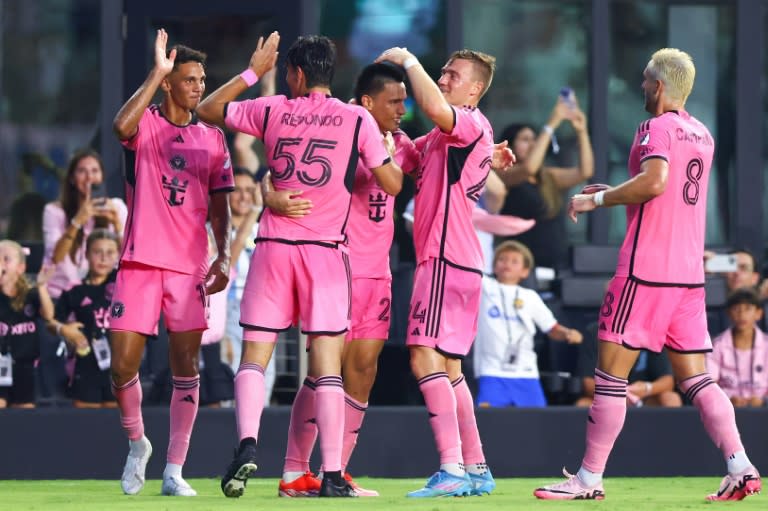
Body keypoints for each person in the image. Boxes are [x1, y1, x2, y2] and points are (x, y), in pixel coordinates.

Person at [534, 48, 761, 502]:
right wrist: (619, 191)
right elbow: (664, 194)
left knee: (610, 379)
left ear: (658, 87)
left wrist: (595, 201)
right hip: (688, 279)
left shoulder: (654, 127)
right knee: (697, 379)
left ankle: (587, 480)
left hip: (644, 274)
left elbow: (655, 182)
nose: (641, 88)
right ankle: (741, 466)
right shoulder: (702, 133)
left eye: (644, 81)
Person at [196, 33, 403, 498]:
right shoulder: (356, 118)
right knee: (327, 366)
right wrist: (380, 150)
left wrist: (252, 71)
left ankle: (248, 444)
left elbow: (209, 109)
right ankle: (331, 473)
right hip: (326, 252)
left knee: (255, 356)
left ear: (295, 74)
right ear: (329, 74)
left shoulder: (271, 110)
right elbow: (390, 184)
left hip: (273, 246)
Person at [276, 62, 420, 498]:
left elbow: (436, 158)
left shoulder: (404, 145)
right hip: (336, 265)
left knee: (363, 371)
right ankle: (294, 471)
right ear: (366, 102)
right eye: (394, 101)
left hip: (378, 272)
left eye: (404, 100)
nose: (402, 108)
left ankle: (336, 471)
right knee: (323, 373)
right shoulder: (339, 135)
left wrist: (491, 160)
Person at [375, 45, 512, 498]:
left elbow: (435, 106)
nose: (444, 78)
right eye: (443, 72)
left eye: (453, 75)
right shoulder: (443, 136)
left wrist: (407, 61)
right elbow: (399, 163)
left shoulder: (467, 120)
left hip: (446, 259)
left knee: (421, 356)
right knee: (450, 369)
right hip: (459, 261)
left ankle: (450, 467)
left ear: (474, 89)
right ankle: (475, 468)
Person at [110, 29, 233, 497]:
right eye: (188, 79)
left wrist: (222, 255)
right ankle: (137, 442)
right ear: (168, 84)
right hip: (139, 261)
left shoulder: (214, 139)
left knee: (187, 365)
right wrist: (156, 71)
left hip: (188, 268)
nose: (199, 86)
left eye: (202, 79)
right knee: (122, 366)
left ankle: (174, 469)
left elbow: (221, 206)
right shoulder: (146, 126)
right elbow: (121, 127)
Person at [474, 241, 582, 408]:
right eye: (502, 259)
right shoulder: (484, 287)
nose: (507, 264)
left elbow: (552, 328)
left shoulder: (530, 296)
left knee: (536, 425)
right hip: (491, 372)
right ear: (494, 267)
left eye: (514, 261)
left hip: (526, 373)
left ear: (525, 272)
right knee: (486, 424)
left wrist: (567, 333)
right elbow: (466, 267)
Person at [494, 93, 594, 271]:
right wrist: (551, 124)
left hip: (555, 263)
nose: (533, 145)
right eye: (525, 140)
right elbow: (528, 169)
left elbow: (585, 171)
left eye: (535, 140)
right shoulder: (503, 175)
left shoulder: (547, 175)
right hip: (520, 266)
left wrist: (581, 130)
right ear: (509, 146)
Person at [42, 148, 127, 299]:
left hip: (105, 296)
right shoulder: (54, 211)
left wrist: (117, 224)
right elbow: (55, 257)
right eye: (82, 171)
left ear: (102, 176)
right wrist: (78, 221)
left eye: (95, 171)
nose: (89, 177)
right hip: (63, 295)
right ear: (72, 178)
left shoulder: (117, 207)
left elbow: (128, 255)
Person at [49, 229, 120, 409]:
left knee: (119, 428)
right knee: (87, 426)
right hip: (86, 365)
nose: (103, 258)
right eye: (97, 252)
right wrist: (63, 329)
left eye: (110, 252)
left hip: (120, 366)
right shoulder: (74, 290)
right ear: (87, 254)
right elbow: (52, 322)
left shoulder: (124, 284)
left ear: (118, 255)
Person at [0, 240, 54, 408]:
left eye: (6, 259)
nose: (0, 263)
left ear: (21, 268)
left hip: (24, 365)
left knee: (23, 411)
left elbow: (48, 315)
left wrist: (42, 286)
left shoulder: (30, 294)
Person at [707, 288, 768, 408]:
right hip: (725, 406)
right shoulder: (716, 345)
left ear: (758, 313)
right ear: (728, 313)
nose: (741, 314)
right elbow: (710, 384)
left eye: (748, 309)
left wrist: (763, 400)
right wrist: (728, 397)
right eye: (736, 309)